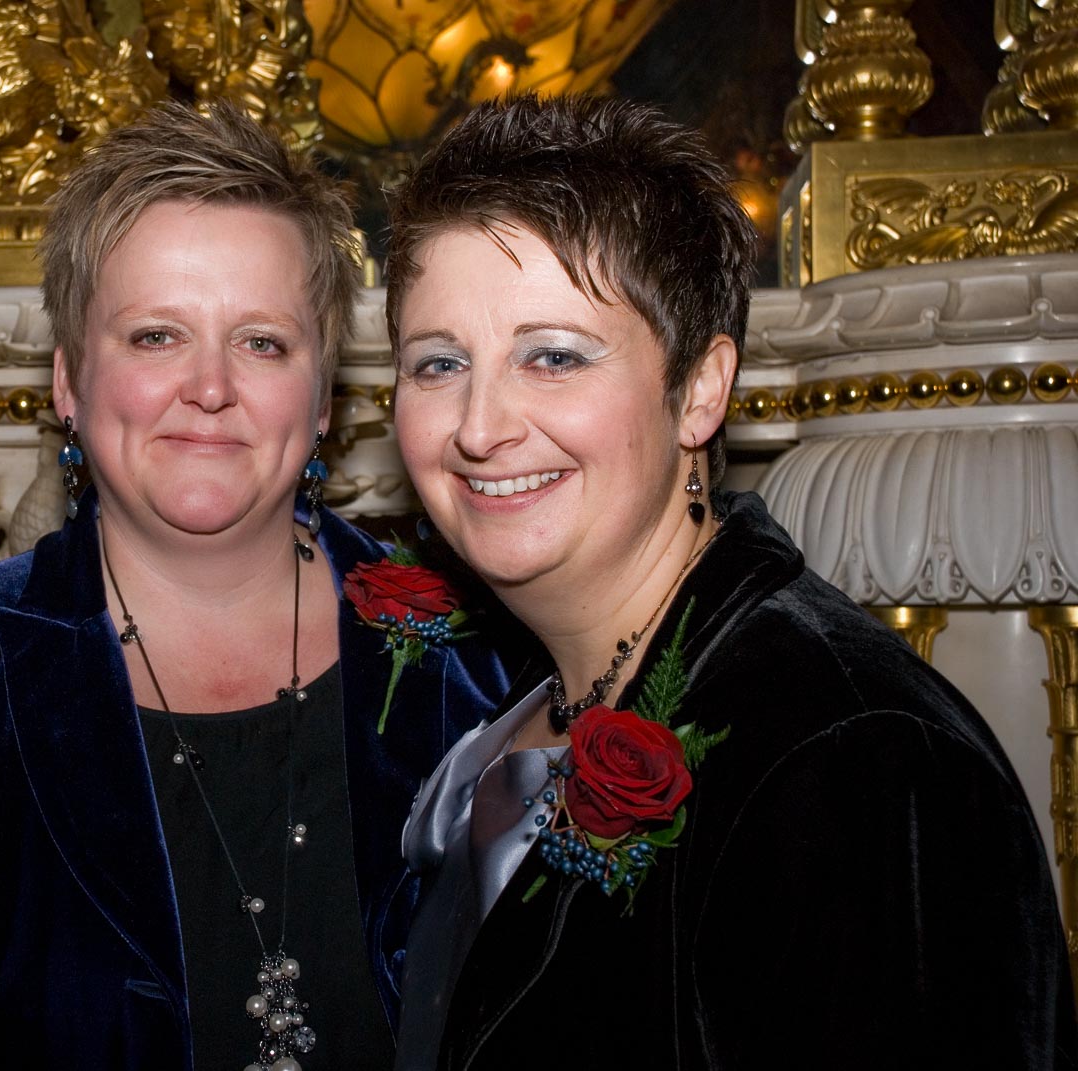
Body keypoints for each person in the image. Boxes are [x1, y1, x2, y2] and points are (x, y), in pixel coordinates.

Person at [0, 101, 519, 1071]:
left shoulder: (475, 663)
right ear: (68, 380)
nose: (209, 387)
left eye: (263, 342)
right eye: (155, 336)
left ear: (323, 396)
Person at [384, 94, 1076, 1069]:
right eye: (438, 362)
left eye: (552, 356)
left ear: (700, 388)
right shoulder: (522, 699)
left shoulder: (853, 760)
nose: (479, 425)